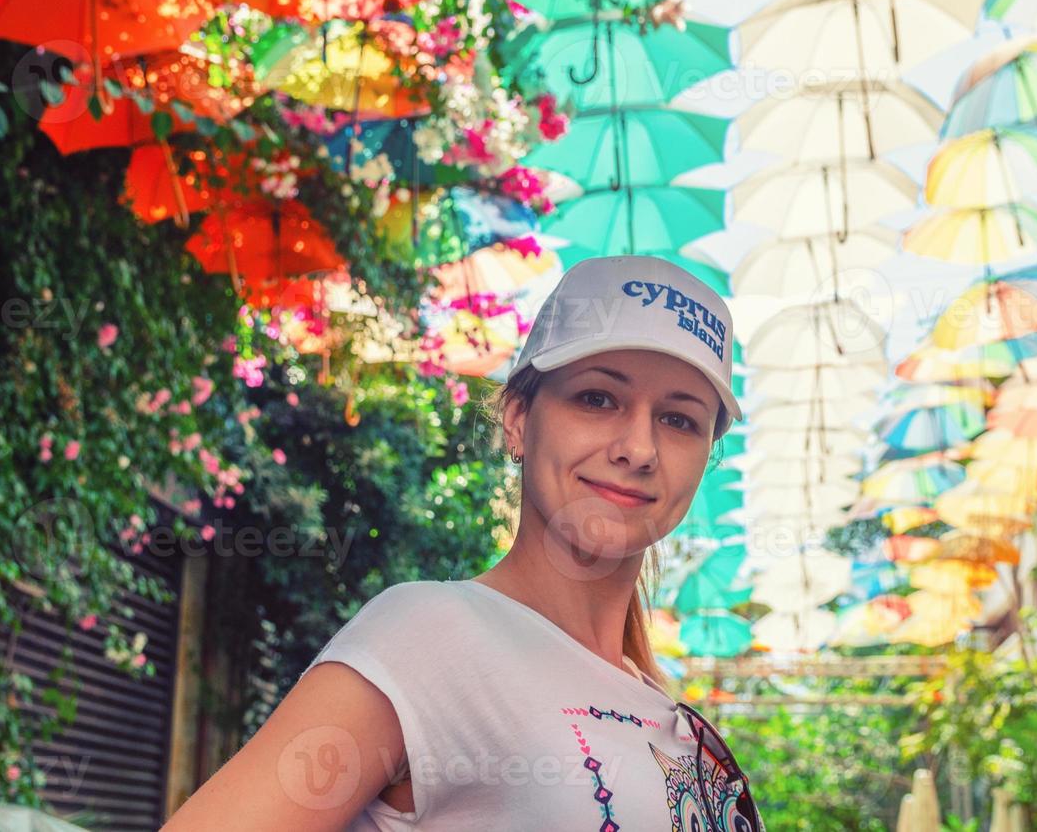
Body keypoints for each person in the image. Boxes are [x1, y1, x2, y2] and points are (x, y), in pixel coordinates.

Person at [161, 255, 764, 831]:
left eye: (679, 419)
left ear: (705, 457)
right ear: (520, 420)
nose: (639, 447)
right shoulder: (428, 636)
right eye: (597, 398)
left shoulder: (676, 722)